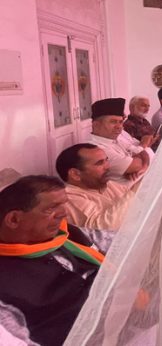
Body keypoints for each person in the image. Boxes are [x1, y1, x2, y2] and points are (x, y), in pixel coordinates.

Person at [0, 176, 103, 346]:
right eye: (52, 208)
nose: (64, 213)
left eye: (63, 205)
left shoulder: (64, 233)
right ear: (14, 219)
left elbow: (116, 241)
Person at [55, 144, 139, 230]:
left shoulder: (106, 183)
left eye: (106, 160)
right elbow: (105, 227)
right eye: (99, 163)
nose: (107, 166)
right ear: (75, 174)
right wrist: (138, 188)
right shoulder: (69, 198)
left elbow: (139, 205)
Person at [88, 98, 150, 182]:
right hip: (125, 192)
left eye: (120, 122)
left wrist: (144, 165)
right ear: (96, 125)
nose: (119, 127)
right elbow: (136, 165)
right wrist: (134, 164)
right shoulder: (95, 148)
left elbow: (141, 151)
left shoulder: (117, 137)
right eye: (113, 122)